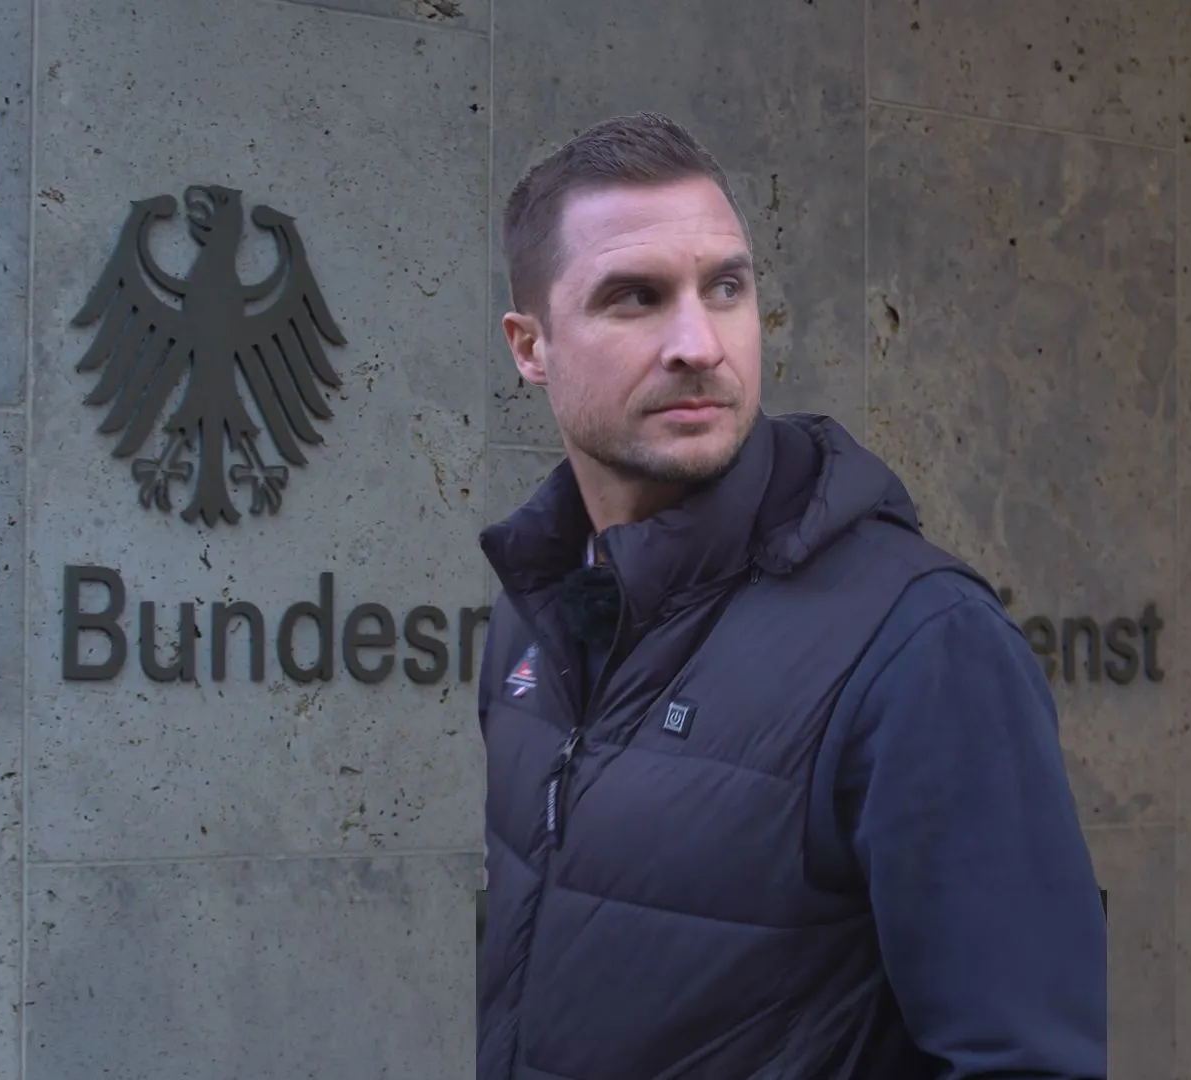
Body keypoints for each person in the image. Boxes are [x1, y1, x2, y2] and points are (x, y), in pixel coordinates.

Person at [474, 112, 1108, 1079]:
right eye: (637, 297)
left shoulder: (922, 642)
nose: (699, 343)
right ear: (531, 347)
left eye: (725, 288)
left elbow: (1027, 1057)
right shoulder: (537, 614)